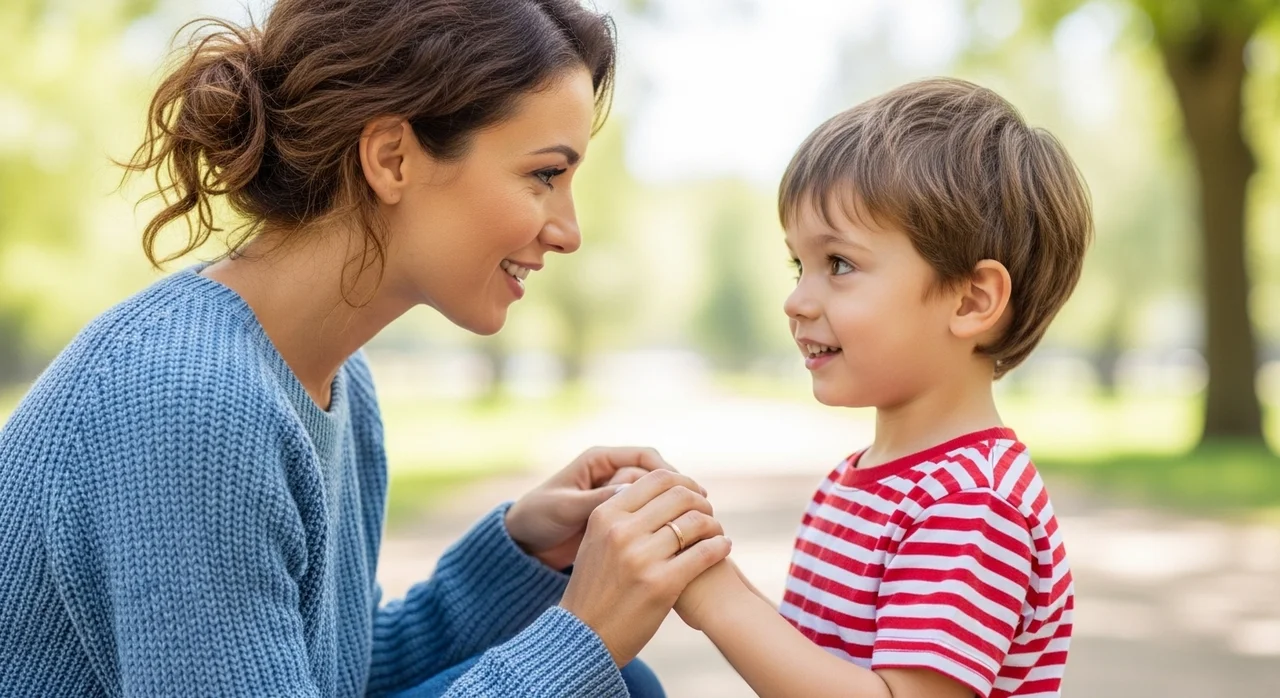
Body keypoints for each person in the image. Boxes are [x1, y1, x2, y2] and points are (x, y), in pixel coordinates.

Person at [0, 1, 732, 696]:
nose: (568, 231)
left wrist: (520, 556)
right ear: (391, 158)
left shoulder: (335, 379)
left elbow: (328, 672)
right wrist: (585, 637)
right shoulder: (189, 401)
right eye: (545, 175)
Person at [673, 78, 1091, 698]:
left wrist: (719, 602)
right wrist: (707, 566)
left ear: (971, 300)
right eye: (798, 265)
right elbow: (817, 664)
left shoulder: (972, 505)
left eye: (839, 264)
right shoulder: (858, 480)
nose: (796, 300)